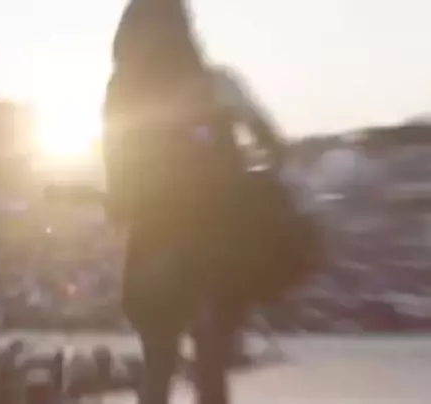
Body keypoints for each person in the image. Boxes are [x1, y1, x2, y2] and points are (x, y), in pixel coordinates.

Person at [102, 1, 296, 404]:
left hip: (154, 239)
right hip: (220, 240)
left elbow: (116, 170)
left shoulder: (122, 92)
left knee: (158, 365)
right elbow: (274, 147)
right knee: (211, 366)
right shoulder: (217, 84)